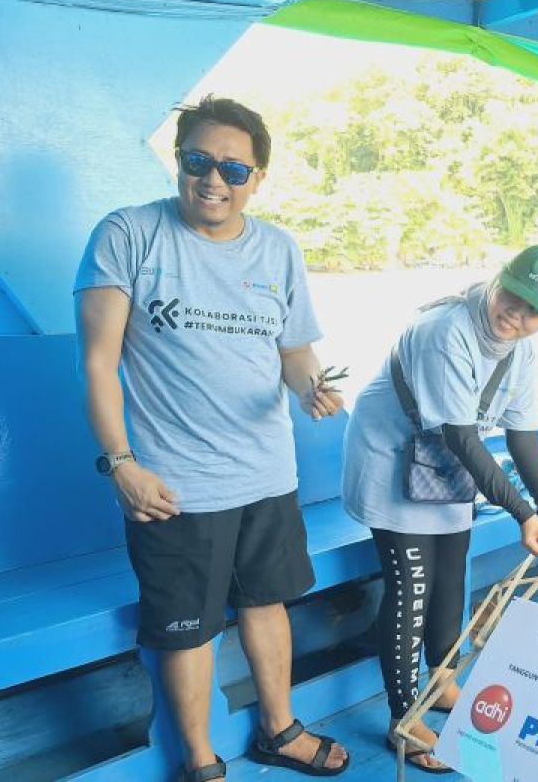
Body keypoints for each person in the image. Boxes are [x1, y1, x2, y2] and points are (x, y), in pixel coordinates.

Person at [74, 96, 348, 781]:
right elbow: (98, 362)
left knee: (266, 602)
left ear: (258, 177)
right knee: (188, 630)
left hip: (267, 474)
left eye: (233, 167)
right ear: (180, 162)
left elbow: (293, 352)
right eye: (198, 161)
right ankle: (200, 760)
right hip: (175, 486)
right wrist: (121, 465)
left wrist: (310, 384)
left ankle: (279, 729)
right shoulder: (129, 234)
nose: (214, 180)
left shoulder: (279, 248)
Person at [342, 246, 538, 774]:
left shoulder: (521, 353)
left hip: (445, 472)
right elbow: (462, 438)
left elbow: (521, 435)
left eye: (532, 310)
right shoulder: (446, 331)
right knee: (412, 585)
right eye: (511, 296)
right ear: (496, 279)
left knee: (451, 575)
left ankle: (443, 681)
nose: (515, 314)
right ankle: (402, 718)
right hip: (392, 459)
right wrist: (523, 513)